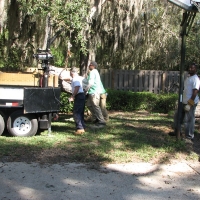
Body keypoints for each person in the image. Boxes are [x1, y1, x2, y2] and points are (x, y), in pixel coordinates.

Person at [169, 63, 200, 141]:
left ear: (196, 69)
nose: (190, 69)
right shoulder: (188, 77)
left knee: (189, 119)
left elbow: (195, 91)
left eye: (192, 68)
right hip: (183, 101)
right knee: (177, 116)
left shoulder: (195, 79)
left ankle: (189, 136)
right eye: (190, 67)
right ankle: (177, 132)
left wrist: (190, 104)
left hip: (190, 102)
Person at [85, 61, 107, 126]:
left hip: (94, 91)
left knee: (95, 106)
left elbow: (90, 83)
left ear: (93, 66)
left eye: (90, 65)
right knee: (89, 105)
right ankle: (97, 117)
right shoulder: (95, 71)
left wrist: (85, 90)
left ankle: (101, 121)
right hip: (93, 91)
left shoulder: (92, 72)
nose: (89, 65)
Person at [69, 67, 86, 135]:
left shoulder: (75, 79)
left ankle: (80, 129)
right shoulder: (79, 77)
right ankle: (83, 127)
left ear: (71, 72)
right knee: (80, 112)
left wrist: (72, 96)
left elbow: (77, 87)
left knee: (76, 112)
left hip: (78, 96)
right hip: (82, 95)